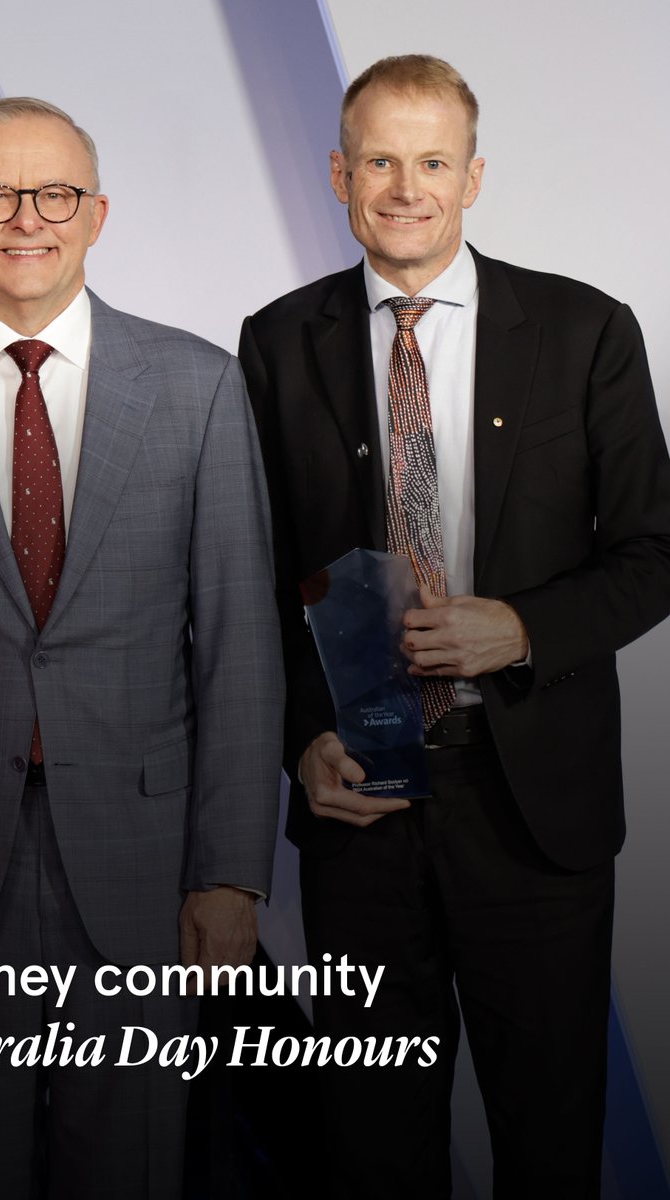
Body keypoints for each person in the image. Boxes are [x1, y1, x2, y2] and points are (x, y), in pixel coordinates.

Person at [0, 96, 283, 1198]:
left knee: (129, 1172)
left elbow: (239, 647)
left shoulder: (200, 386)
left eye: (55, 193)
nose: (26, 217)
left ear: (98, 212)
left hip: (143, 868)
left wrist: (230, 872)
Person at [239, 54, 670, 1199]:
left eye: (431, 160)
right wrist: (298, 740)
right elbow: (260, 582)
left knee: (548, 1141)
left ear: (473, 177)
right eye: (379, 159)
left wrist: (520, 629)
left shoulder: (586, 332)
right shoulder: (277, 342)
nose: (404, 185)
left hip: (532, 807)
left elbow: (655, 554)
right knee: (371, 1149)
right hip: (360, 811)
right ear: (339, 172)